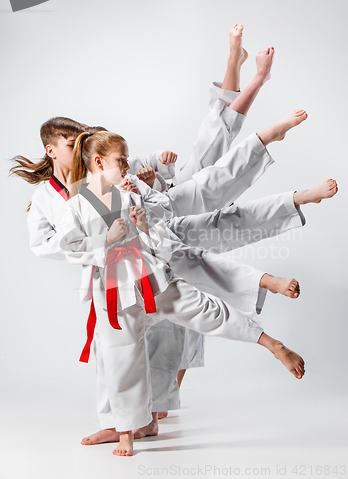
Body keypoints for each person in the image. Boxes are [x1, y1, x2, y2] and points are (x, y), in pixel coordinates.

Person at [59, 130, 307, 456]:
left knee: (206, 310)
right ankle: (124, 433)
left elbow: (162, 234)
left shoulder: (132, 195)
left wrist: (144, 226)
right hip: (117, 297)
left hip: (154, 280)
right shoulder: (76, 204)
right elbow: (69, 247)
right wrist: (105, 240)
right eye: (122, 160)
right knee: (119, 360)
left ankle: (272, 343)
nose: (128, 165)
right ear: (99, 162)